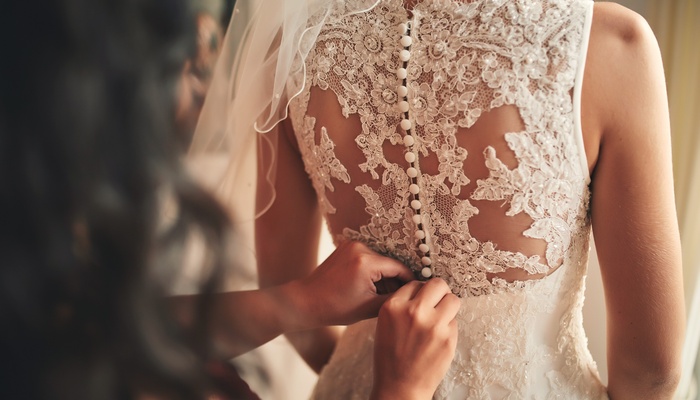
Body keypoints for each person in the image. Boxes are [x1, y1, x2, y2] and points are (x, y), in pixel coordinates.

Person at [193, 0, 686, 398]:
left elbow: (293, 303)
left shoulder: (293, 47)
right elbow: (652, 371)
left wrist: (363, 376)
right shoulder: (610, 46)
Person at [0, 1, 459, 399]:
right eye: (182, 69)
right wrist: (400, 391)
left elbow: (103, 336)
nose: (197, 86)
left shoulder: (35, 302)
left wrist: (301, 301)